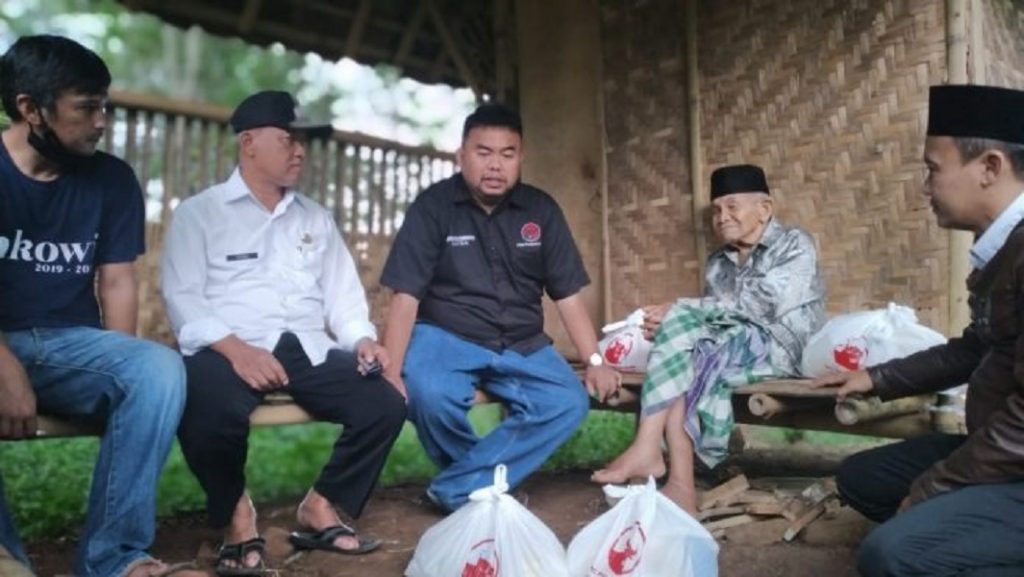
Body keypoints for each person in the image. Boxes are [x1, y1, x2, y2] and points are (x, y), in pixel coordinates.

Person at [161, 90, 407, 575]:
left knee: (385, 401)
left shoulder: (315, 217)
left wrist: (361, 339)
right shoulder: (199, 213)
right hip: (226, 346)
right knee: (208, 410)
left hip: (307, 347)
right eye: (288, 140)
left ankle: (321, 505)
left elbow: (343, 298)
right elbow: (182, 297)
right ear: (248, 143)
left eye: (302, 142)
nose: (299, 152)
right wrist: (237, 350)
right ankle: (237, 517)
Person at [0, 35, 198, 577]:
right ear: (31, 108)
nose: (102, 121)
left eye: (104, 106)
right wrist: (5, 366)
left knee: (156, 366)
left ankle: (114, 559)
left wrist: (121, 371)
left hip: (68, 348)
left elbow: (117, 282)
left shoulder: (112, 180)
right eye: (86, 107)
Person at [813, 85, 1024, 577]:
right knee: (862, 478)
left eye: (933, 169)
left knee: (889, 555)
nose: (927, 187)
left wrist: (935, 488)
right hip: (1003, 454)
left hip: (1015, 459)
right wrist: (877, 378)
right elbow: (975, 349)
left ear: (989, 168)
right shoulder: (1005, 248)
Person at [380, 103, 621, 513]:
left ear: (521, 158)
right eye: (484, 152)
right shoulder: (433, 207)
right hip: (447, 336)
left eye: (507, 154)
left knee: (567, 401)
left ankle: (459, 487)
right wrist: (391, 372)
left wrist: (595, 360)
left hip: (522, 342)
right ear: (462, 155)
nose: (495, 165)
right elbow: (406, 296)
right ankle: (485, 485)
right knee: (430, 395)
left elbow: (567, 294)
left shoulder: (541, 210)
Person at [592, 164, 826, 513]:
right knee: (687, 349)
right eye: (716, 210)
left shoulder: (795, 244)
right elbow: (715, 320)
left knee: (687, 342)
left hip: (783, 348)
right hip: (729, 348)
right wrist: (673, 326)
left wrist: (679, 313)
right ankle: (673, 479)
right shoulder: (719, 262)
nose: (722, 217)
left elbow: (762, 305)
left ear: (764, 209)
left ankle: (656, 456)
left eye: (732, 206)